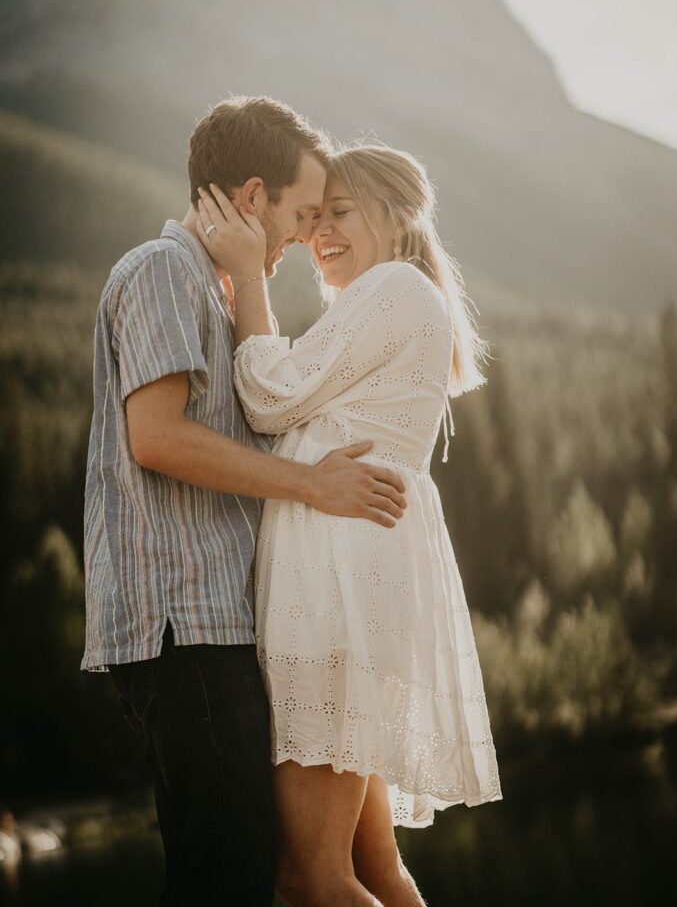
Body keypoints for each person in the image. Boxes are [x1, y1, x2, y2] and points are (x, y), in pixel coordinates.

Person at [80, 97, 408, 907]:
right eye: (298, 213)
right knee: (223, 879)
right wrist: (313, 484)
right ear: (252, 196)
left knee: (251, 876)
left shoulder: (219, 294)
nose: (303, 236)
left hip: (217, 627)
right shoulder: (162, 271)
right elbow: (154, 437)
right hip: (181, 628)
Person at [197, 142, 503, 907]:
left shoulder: (393, 286)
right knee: (371, 871)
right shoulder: (395, 294)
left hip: (336, 587)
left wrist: (240, 277)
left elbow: (269, 396)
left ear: (397, 217)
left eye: (339, 213)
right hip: (352, 584)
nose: (319, 235)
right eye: (313, 220)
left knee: (309, 880)